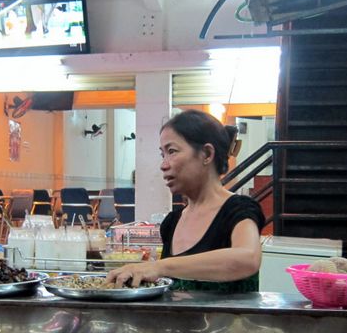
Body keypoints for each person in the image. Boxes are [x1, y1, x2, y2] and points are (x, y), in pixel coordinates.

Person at [107, 109, 264, 292]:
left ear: (206, 154)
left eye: (172, 151)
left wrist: (160, 266)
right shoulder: (172, 222)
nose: (164, 165)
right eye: (162, 155)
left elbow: (247, 258)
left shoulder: (238, 210)